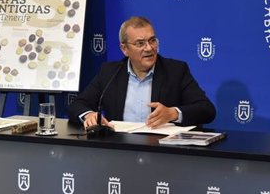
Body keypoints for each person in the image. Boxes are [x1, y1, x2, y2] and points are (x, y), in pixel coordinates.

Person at [68, 16, 216, 129]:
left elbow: (207, 110)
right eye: (140, 43)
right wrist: (89, 115)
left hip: (162, 152)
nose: (149, 48)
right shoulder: (110, 72)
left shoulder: (175, 71)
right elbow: (78, 104)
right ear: (124, 49)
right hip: (120, 151)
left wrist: (173, 113)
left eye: (152, 41)